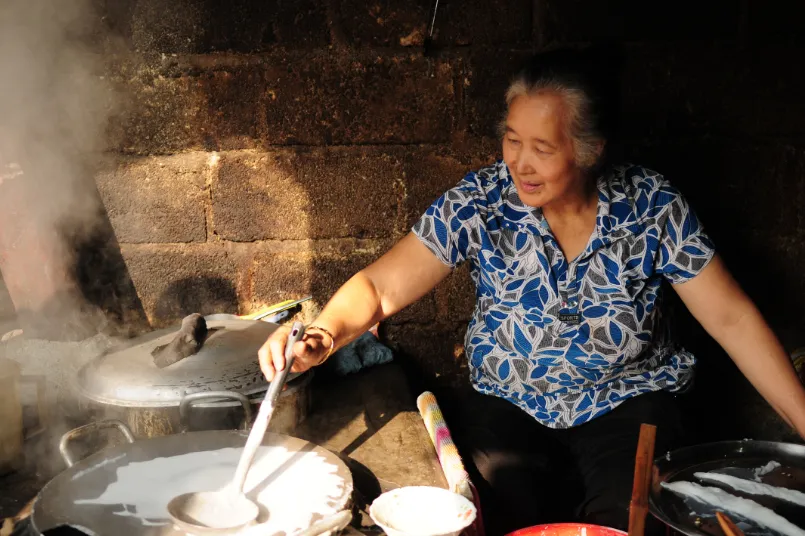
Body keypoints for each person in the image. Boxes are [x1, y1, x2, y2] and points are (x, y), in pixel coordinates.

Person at [258, 49, 805, 534]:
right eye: (512, 140)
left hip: (626, 401)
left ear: (590, 150)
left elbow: (731, 319)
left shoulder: (651, 206)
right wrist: (325, 334)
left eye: (542, 147)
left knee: (629, 516)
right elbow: (379, 286)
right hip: (510, 401)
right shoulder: (482, 199)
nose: (519, 162)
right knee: (492, 512)